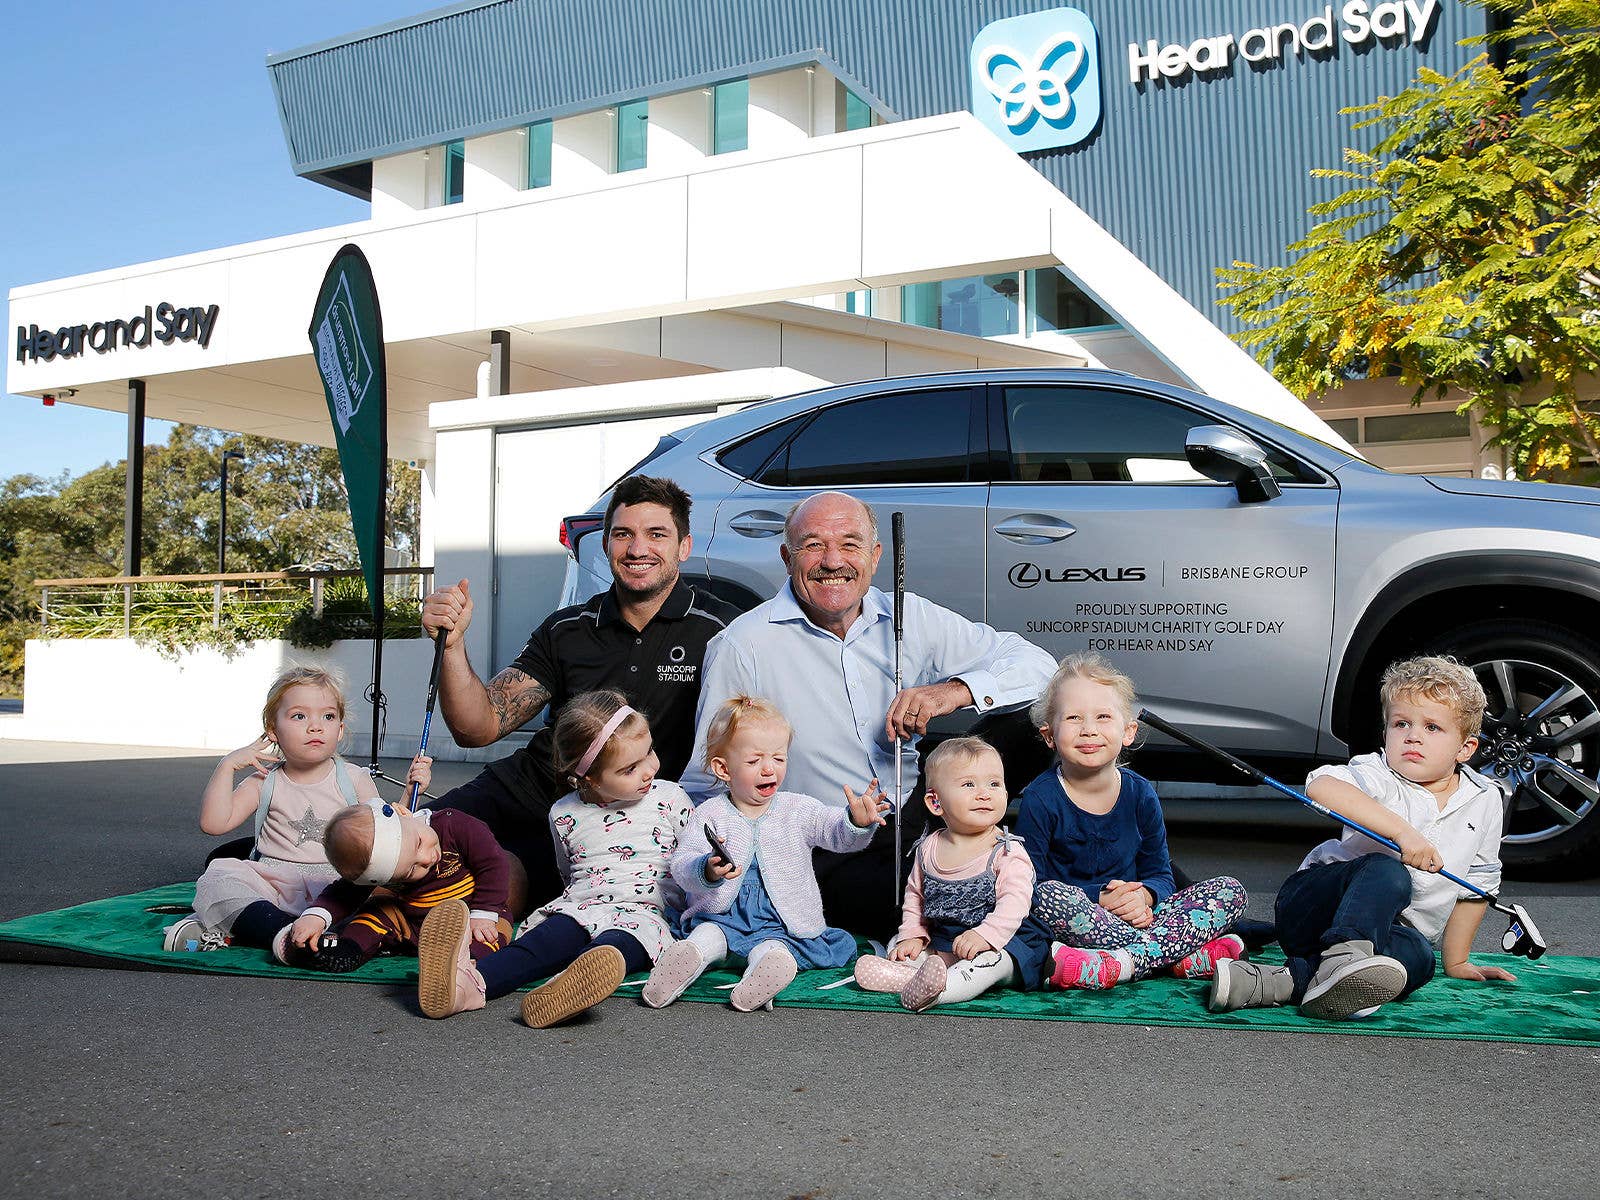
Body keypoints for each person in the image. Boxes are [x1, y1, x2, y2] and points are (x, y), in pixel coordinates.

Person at [684, 491, 1056, 939]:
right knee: (887, 914)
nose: (833, 560)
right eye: (813, 545)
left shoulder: (909, 614)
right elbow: (706, 779)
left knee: (1035, 723)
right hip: (829, 837)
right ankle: (951, 899)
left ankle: (971, 863)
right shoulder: (742, 644)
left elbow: (1035, 665)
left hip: (920, 812)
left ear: (876, 555)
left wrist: (952, 692)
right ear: (787, 557)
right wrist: (699, 870)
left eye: (850, 544)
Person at [420, 475, 738, 915]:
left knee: (502, 882)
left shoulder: (722, 631)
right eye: (623, 534)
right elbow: (478, 727)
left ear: (684, 546)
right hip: (527, 788)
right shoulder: (566, 627)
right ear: (607, 545)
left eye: (656, 534)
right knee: (410, 839)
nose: (637, 548)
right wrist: (452, 646)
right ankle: (329, 923)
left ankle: (466, 951)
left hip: (616, 818)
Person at [1210, 655, 1516, 1020]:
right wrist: (1402, 833)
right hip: (1313, 909)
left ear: (1466, 747)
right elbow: (1322, 786)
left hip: (1387, 934)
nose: (1413, 736)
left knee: (1419, 958)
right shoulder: (1378, 772)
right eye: (1401, 723)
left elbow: (1477, 884)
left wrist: (1458, 961)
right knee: (1389, 872)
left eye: (1432, 728)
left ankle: (1278, 981)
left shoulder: (1485, 798)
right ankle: (1343, 958)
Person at [415, 690, 696, 1026]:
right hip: (583, 905)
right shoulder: (564, 813)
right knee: (538, 947)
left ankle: (569, 986)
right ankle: (464, 987)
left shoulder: (670, 797)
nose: (649, 770)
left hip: (648, 911)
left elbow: (689, 858)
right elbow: (570, 872)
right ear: (589, 777)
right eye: (629, 768)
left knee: (617, 947)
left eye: (649, 752)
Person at [640, 696, 889, 1012]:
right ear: (723, 769)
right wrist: (708, 869)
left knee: (773, 947)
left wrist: (855, 821)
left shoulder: (797, 808)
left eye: (779, 758)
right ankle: (685, 961)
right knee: (709, 934)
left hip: (781, 921)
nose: (769, 769)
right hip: (723, 915)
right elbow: (682, 866)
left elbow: (834, 832)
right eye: (754, 760)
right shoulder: (710, 812)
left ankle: (766, 971)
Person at [1019, 653, 1248, 990]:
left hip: (1143, 917)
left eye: (1102, 717)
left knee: (1231, 890)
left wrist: (1145, 898)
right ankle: (1178, 956)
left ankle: (1125, 962)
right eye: (1073, 718)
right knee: (1045, 897)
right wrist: (1100, 898)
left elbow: (1161, 875)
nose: (1089, 729)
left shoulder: (1140, 794)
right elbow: (1031, 886)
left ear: (1127, 731)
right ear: (1050, 735)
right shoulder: (1041, 798)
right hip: (1083, 916)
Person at [167, 666, 407, 953]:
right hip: (273, 882)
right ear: (272, 730)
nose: (315, 726)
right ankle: (285, 933)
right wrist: (227, 765)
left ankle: (262, 930)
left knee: (386, 895)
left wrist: (408, 794)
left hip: (336, 886)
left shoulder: (354, 779)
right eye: (299, 716)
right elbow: (214, 824)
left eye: (328, 716)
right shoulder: (263, 780)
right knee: (217, 879)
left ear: (340, 729)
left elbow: (383, 835)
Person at [852, 736, 1042, 1011]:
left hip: (1006, 942)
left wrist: (985, 936)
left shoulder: (1006, 852)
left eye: (994, 784)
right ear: (935, 802)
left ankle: (945, 989)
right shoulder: (929, 847)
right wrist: (913, 935)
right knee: (902, 946)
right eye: (969, 784)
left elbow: (1015, 903)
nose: (984, 793)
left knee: (988, 965)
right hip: (947, 941)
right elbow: (915, 897)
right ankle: (907, 973)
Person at [274, 790, 512, 974]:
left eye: (419, 843)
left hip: (469, 914)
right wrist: (315, 916)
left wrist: (484, 912)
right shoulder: (382, 864)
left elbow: (494, 864)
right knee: (373, 915)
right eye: (411, 870)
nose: (428, 857)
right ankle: (347, 950)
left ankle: (464, 966)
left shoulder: (455, 825)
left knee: (491, 934)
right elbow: (343, 893)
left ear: (403, 813)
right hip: (413, 923)